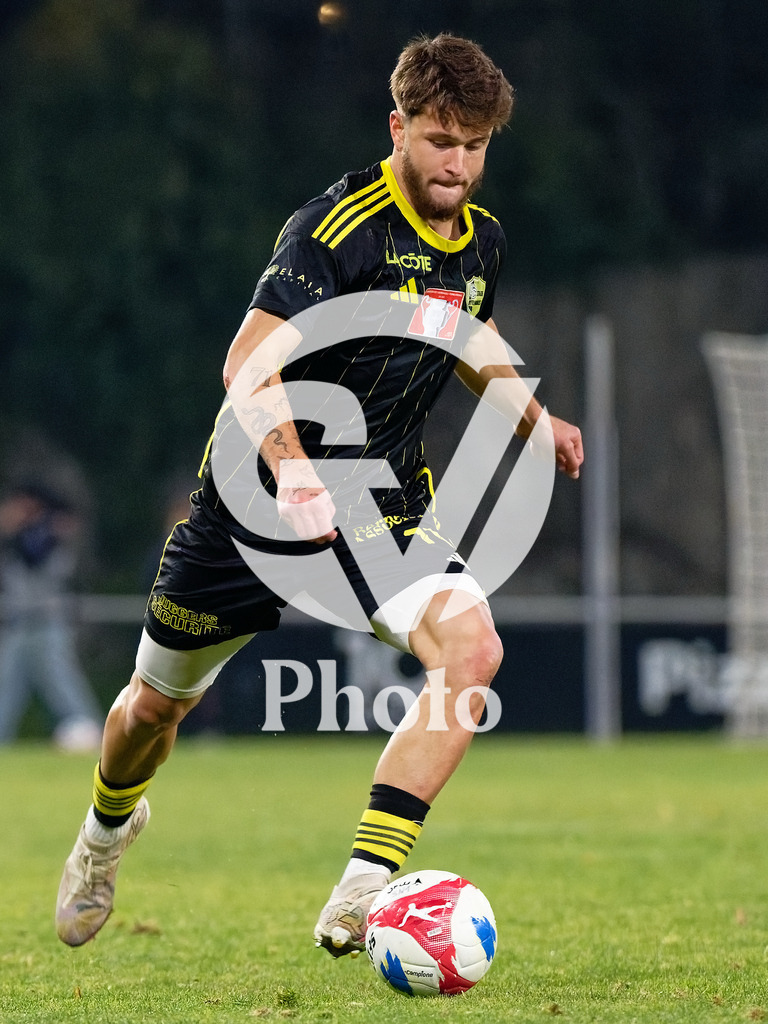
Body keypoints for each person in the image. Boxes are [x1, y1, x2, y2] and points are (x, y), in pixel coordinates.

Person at [55, 33, 583, 954]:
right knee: (151, 709)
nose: (457, 164)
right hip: (254, 500)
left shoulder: (483, 240)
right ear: (398, 128)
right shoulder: (335, 228)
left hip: (382, 505)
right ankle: (104, 834)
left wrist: (539, 418)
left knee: (471, 652)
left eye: (474, 145)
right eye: (438, 140)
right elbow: (246, 361)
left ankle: (362, 889)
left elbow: (472, 338)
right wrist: (295, 470)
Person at [0, 483, 102, 750]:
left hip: (48, 623)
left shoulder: (48, 528)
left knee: (65, 687)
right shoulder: (18, 533)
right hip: (19, 623)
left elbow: (32, 555)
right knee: (6, 688)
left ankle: (93, 735)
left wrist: (12, 531)